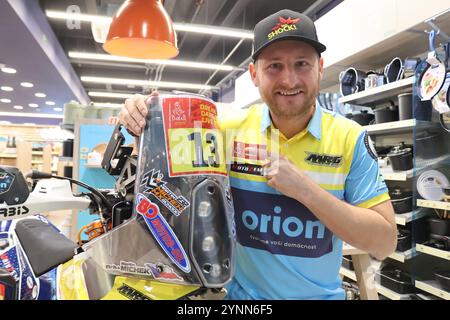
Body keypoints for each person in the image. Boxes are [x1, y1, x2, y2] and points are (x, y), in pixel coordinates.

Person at [118, 9, 397, 300]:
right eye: (274, 66)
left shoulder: (350, 138)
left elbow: (384, 242)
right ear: (254, 74)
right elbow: (160, 176)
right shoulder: (223, 129)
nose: (289, 81)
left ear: (320, 68)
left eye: (301, 64)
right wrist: (141, 116)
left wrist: (307, 191)